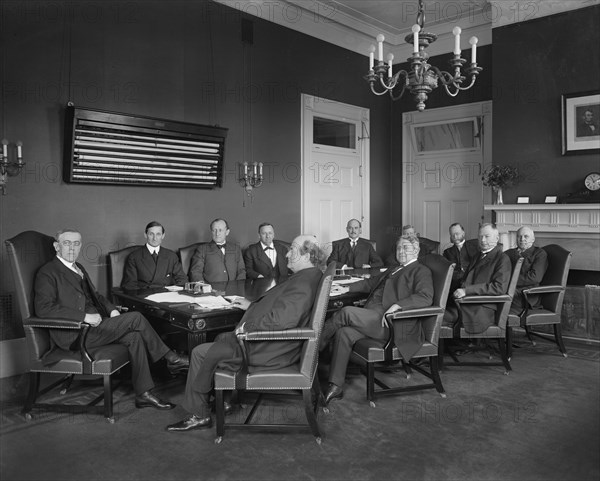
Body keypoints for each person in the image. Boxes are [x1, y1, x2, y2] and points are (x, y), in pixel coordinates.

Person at [166, 235, 326, 432]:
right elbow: (284, 310)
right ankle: (223, 401)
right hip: (273, 345)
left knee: (200, 352)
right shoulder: (309, 276)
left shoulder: (303, 283)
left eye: (292, 249)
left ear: (307, 255)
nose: (287, 253)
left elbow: (281, 320)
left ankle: (198, 415)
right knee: (220, 339)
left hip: (268, 349)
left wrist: (247, 328)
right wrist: (251, 306)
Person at [34, 229, 189, 410]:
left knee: (134, 337)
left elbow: (97, 296)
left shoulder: (78, 267)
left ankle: (143, 394)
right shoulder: (48, 272)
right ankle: (171, 357)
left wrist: (112, 310)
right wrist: (84, 316)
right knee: (136, 318)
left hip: (96, 326)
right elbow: (43, 308)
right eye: (67, 243)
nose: (72, 248)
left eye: (76, 243)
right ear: (56, 246)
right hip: (75, 333)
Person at [321, 235, 434, 404]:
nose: (400, 251)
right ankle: (335, 386)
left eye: (405, 248)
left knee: (346, 312)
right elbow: (370, 283)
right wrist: (345, 287)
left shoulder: (421, 270)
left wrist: (398, 305)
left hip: (391, 323)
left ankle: (313, 349)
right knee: (344, 333)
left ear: (416, 250)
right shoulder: (394, 268)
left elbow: (425, 297)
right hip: (373, 317)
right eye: (398, 248)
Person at [442, 223, 512, 334]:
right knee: (436, 310)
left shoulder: (502, 259)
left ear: (497, 238)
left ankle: (441, 348)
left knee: (437, 318)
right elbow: (464, 280)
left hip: (480, 308)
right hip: (466, 303)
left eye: (487, 236)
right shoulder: (478, 255)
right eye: (480, 236)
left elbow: (499, 288)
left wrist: (466, 291)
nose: (483, 240)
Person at [121, 221, 188, 290]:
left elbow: (183, 280)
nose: (154, 238)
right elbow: (130, 285)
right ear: (145, 235)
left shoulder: (171, 256)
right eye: (151, 234)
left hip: (167, 296)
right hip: (144, 297)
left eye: (158, 234)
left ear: (163, 235)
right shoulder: (134, 257)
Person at [505, 226, 548, 312]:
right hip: (507, 288)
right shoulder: (508, 253)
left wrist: (507, 280)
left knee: (494, 297)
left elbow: (535, 277)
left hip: (526, 295)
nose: (522, 239)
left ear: (533, 239)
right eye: (519, 236)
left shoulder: (539, 254)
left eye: (526, 236)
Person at [189, 218, 245, 283]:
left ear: (227, 232)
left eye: (220, 230)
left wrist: (238, 286)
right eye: (214, 230)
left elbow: (241, 271)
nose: (217, 233)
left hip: (234, 290)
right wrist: (204, 288)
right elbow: (196, 272)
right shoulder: (202, 249)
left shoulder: (236, 248)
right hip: (211, 291)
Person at [442, 223, 480, 294]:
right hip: (454, 283)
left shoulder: (475, 248)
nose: (455, 237)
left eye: (457, 234)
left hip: (472, 281)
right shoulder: (447, 252)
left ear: (463, 233)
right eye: (452, 234)